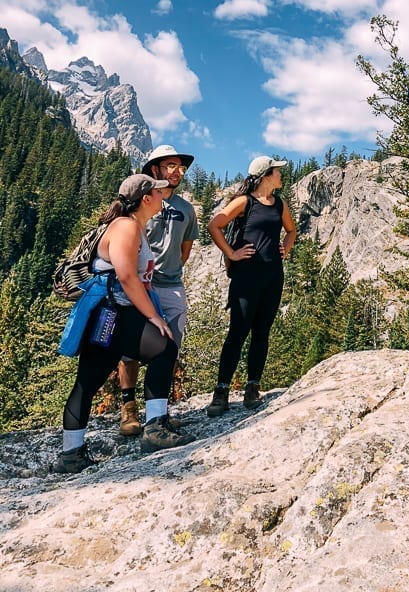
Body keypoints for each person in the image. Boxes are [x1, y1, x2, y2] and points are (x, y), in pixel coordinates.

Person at [55, 174, 195, 474]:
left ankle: (71, 455)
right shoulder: (127, 226)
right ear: (146, 198)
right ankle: (155, 429)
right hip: (115, 312)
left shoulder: (134, 226)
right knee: (164, 349)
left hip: (107, 317)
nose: (162, 195)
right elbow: (127, 276)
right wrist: (154, 317)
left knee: (86, 383)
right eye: (157, 192)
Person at [117, 145, 199, 436]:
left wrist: (169, 270)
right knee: (130, 351)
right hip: (138, 288)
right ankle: (129, 409)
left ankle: (158, 414)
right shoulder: (143, 202)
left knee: (170, 348)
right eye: (171, 166)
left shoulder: (186, 209)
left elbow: (185, 250)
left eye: (181, 167)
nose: (178, 172)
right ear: (155, 169)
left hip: (172, 286)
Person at [206, 156, 296, 416]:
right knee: (237, 332)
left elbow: (291, 231)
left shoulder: (279, 204)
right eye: (277, 171)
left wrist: (285, 250)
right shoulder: (245, 202)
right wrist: (231, 254)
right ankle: (221, 391)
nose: (281, 175)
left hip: (272, 276)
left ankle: (252, 388)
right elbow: (215, 225)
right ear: (266, 174)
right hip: (246, 276)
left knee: (262, 332)